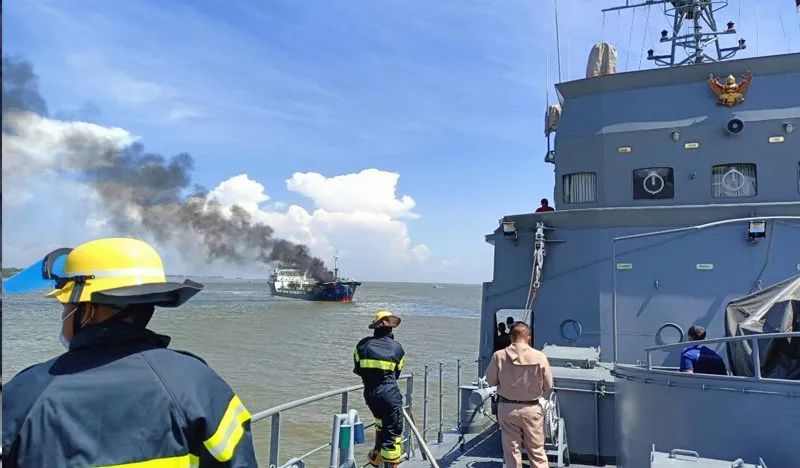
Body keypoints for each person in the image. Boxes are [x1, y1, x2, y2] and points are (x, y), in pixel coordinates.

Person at [2, 238, 258, 467]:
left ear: (88, 311)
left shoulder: (26, 394)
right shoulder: (198, 383)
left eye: (66, 306)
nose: (64, 315)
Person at [486, 322, 553, 468]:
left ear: (511, 337)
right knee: (537, 451)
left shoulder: (499, 356)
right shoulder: (540, 356)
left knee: (511, 451)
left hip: (507, 408)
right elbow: (548, 385)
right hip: (532, 409)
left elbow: (490, 381)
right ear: (529, 337)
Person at [354, 311, 406, 467]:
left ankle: (376, 455)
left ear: (375, 327)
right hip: (389, 394)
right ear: (391, 328)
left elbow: (358, 369)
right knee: (393, 432)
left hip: (370, 394)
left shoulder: (362, 345)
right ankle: (390, 463)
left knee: (380, 423)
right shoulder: (397, 348)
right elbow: (396, 373)